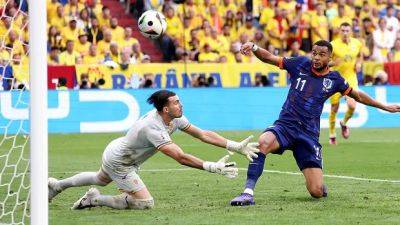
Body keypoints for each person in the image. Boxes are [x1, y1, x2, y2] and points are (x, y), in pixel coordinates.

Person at [230, 40, 400, 206]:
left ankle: (318, 182)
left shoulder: (335, 80)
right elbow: (270, 58)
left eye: (322, 54)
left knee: (316, 191)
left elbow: (358, 96)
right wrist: (254, 47)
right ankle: (247, 193)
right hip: (286, 126)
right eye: (314, 53)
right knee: (263, 143)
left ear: (330, 58)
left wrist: (384, 106)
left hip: (308, 135)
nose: (317, 57)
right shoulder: (300, 64)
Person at [48, 90, 259, 210]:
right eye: (176, 103)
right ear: (166, 109)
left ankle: (57, 185)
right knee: (145, 203)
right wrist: (211, 166)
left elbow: (202, 134)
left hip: (118, 151)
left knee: (100, 179)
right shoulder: (153, 127)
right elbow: (180, 157)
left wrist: (233, 146)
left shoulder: (174, 119)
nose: (181, 105)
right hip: (121, 161)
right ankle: (94, 200)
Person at [328, 22, 363, 145]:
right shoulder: (333, 45)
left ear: (351, 31)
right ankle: (332, 134)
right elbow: (325, 62)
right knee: (334, 108)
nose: (345, 33)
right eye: (343, 30)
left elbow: (360, 55)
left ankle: (343, 123)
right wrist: (334, 63)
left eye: (347, 30)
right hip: (335, 79)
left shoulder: (357, 43)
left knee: (353, 105)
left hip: (350, 77)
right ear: (339, 31)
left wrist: (359, 63)